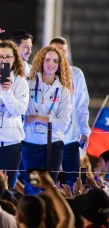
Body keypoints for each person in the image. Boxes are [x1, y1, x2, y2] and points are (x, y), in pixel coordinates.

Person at [22, 46, 72, 194]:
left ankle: (48, 217)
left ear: (59, 65)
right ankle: (33, 216)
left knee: (49, 190)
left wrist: (38, 118)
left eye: (55, 61)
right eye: (48, 60)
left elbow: (63, 123)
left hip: (53, 146)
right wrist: (48, 120)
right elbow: (22, 115)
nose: (51, 64)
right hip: (31, 145)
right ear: (41, 61)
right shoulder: (28, 84)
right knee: (33, 188)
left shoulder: (63, 91)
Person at [0, 40, 29, 188]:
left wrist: (7, 90)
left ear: (14, 58)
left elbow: (18, 110)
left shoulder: (20, 81)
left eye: (8, 57)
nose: (4, 60)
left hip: (10, 142)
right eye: (1, 57)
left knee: (7, 188)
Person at [50, 37, 91, 188]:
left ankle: (74, 209)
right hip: (48, 139)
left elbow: (82, 105)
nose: (61, 55)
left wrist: (85, 130)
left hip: (70, 139)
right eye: (57, 51)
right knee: (47, 182)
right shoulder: (43, 74)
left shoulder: (76, 74)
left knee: (73, 181)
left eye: (64, 52)